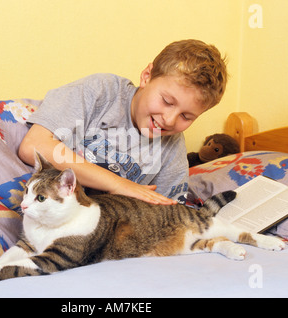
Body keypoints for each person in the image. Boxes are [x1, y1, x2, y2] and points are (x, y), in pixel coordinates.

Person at [18, 39, 228, 205]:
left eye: (186, 117)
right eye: (166, 101)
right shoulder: (101, 92)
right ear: (147, 76)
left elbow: (168, 212)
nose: (170, 120)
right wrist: (118, 184)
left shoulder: (172, 149)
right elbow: (32, 146)